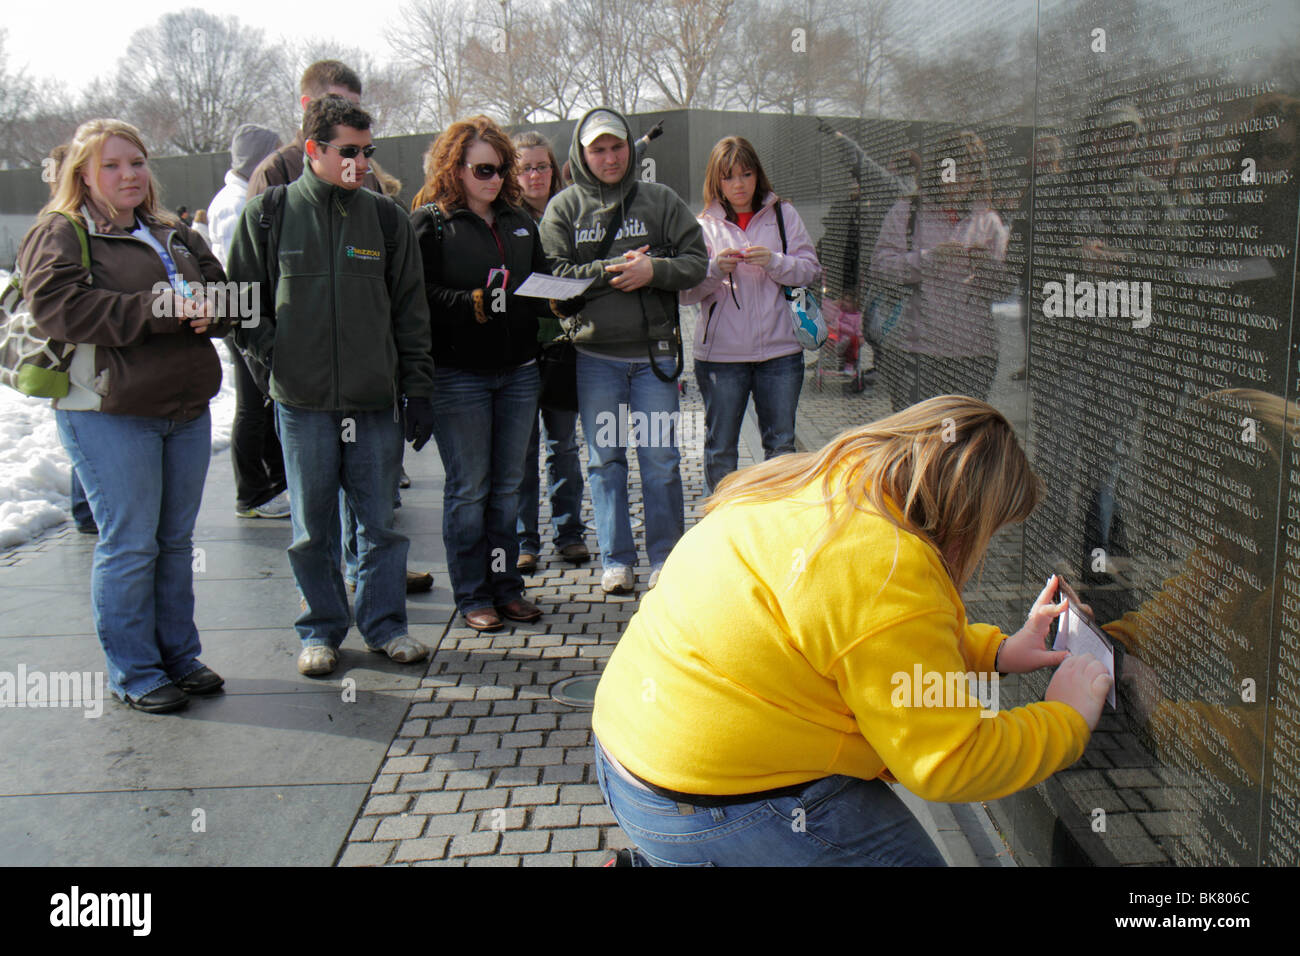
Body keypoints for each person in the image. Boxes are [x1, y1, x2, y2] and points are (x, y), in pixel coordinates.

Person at [591, 395, 1112, 865]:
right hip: (704, 801)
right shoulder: (884, 567)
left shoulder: (814, 484)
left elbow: (863, 641)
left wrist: (997, 652)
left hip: (630, 758)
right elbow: (950, 762)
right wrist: (1066, 716)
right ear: (966, 521)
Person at [18, 119, 233, 713]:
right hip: (110, 412)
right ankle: (135, 671)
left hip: (185, 409)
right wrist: (163, 307)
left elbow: (226, 294)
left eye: (136, 162)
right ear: (82, 175)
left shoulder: (173, 232)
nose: (128, 175)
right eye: (111, 166)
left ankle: (180, 657)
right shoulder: (60, 232)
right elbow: (60, 309)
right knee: (131, 543)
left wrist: (214, 309)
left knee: (172, 542)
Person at [227, 96, 436, 677]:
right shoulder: (266, 215)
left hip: (374, 404)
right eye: (349, 151)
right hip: (303, 405)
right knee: (311, 527)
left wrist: (417, 389)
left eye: (368, 151)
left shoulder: (389, 219)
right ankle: (320, 629)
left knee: (379, 526)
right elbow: (244, 307)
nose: (362, 162)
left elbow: (410, 313)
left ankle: (386, 625)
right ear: (313, 148)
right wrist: (276, 364)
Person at [411, 117, 575, 632]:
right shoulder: (430, 223)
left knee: (507, 488)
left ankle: (506, 587)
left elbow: (540, 278)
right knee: (470, 488)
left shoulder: (518, 221)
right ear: (453, 168)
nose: (496, 178)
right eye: (484, 168)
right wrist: (472, 304)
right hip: (458, 376)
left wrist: (568, 293)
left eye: (501, 169)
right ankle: (473, 592)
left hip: (520, 371)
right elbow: (414, 299)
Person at [538, 107, 707, 594]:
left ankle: (666, 558)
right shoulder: (564, 209)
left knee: (660, 460)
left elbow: (697, 262)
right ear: (582, 154)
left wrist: (656, 272)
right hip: (596, 361)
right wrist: (616, 269)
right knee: (604, 461)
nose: (610, 158)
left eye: (616, 147)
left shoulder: (659, 200)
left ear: (630, 148)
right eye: (598, 149)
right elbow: (554, 281)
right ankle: (616, 559)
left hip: (654, 358)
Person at [681, 136, 820, 494]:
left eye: (746, 174)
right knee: (721, 449)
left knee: (781, 449)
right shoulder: (703, 226)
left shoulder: (782, 214)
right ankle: (725, 523)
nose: (739, 185)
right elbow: (685, 294)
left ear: (758, 175)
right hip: (721, 359)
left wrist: (774, 262)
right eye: (729, 177)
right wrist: (714, 269)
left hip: (781, 353)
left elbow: (809, 271)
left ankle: (778, 524)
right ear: (717, 180)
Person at [872, 130, 1009, 411]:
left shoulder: (989, 221)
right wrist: (930, 259)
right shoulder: (907, 211)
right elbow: (881, 268)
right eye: (953, 170)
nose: (960, 180)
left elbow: (1004, 289)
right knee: (917, 441)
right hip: (916, 350)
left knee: (960, 444)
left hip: (974, 354)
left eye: (970, 172)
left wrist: (988, 270)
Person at [512, 130, 590, 572]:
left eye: (542, 165)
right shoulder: (505, 216)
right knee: (521, 452)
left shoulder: (571, 210)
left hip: (563, 346)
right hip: (522, 348)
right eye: (525, 167)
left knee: (562, 446)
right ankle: (525, 540)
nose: (535, 174)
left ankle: (570, 532)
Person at [205, 123, 289, 520]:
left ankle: (271, 483)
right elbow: (238, 265)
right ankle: (253, 492)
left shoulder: (241, 196)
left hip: (250, 310)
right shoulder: (236, 203)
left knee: (263, 401)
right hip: (246, 313)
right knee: (253, 404)